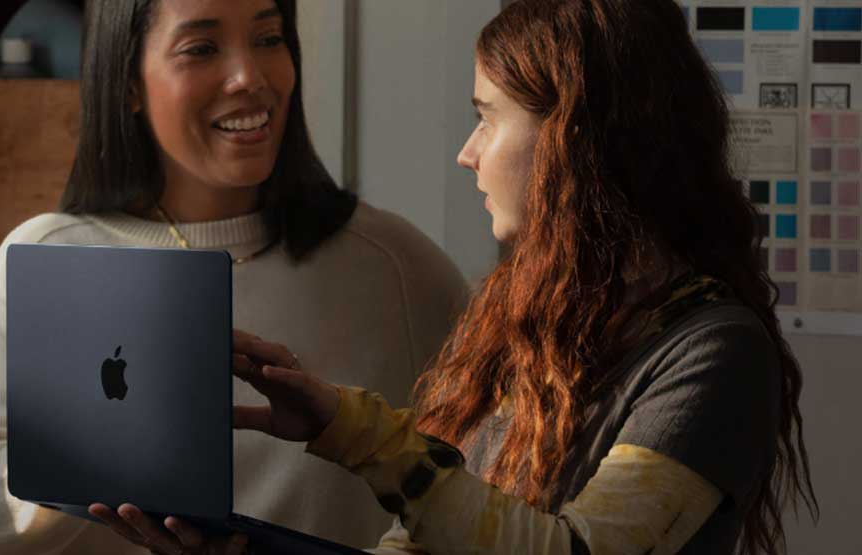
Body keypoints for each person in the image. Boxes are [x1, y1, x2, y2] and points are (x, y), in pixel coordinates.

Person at [95, 0, 823, 554]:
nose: (467, 153)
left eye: (488, 118)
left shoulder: (714, 350)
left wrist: (357, 434)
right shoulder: (524, 316)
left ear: (576, 140)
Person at [0, 0, 468, 554]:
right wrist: (102, 443)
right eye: (202, 48)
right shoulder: (44, 258)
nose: (249, 77)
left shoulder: (396, 265)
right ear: (128, 84)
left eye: (269, 38)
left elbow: (490, 490)